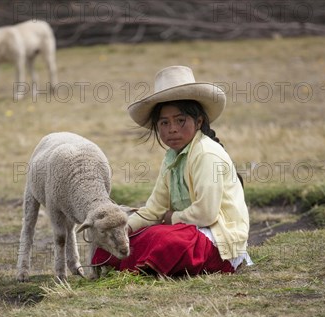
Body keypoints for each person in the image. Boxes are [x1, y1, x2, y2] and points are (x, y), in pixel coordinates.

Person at [92, 65, 252, 276]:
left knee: (161, 239)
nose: (172, 129)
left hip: (217, 244)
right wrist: (125, 229)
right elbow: (154, 210)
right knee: (129, 239)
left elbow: (206, 214)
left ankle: (147, 263)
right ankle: (143, 262)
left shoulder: (206, 154)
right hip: (187, 230)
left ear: (199, 121)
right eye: (164, 123)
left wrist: (171, 218)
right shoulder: (171, 158)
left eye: (180, 120)